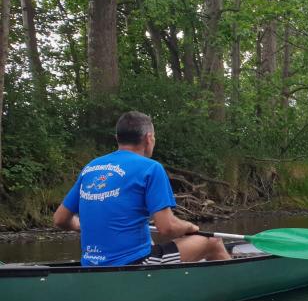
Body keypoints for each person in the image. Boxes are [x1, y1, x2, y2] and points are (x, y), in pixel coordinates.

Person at [53, 111, 231, 266]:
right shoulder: (151, 168)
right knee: (213, 241)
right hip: (134, 265)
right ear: (148, 138)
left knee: (149, 241)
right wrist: (188, 226)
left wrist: (84, 226)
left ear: (117, 138)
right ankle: (234, 286)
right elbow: (167, 228)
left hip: (91, 264)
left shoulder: (91, 167)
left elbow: (60, 219)